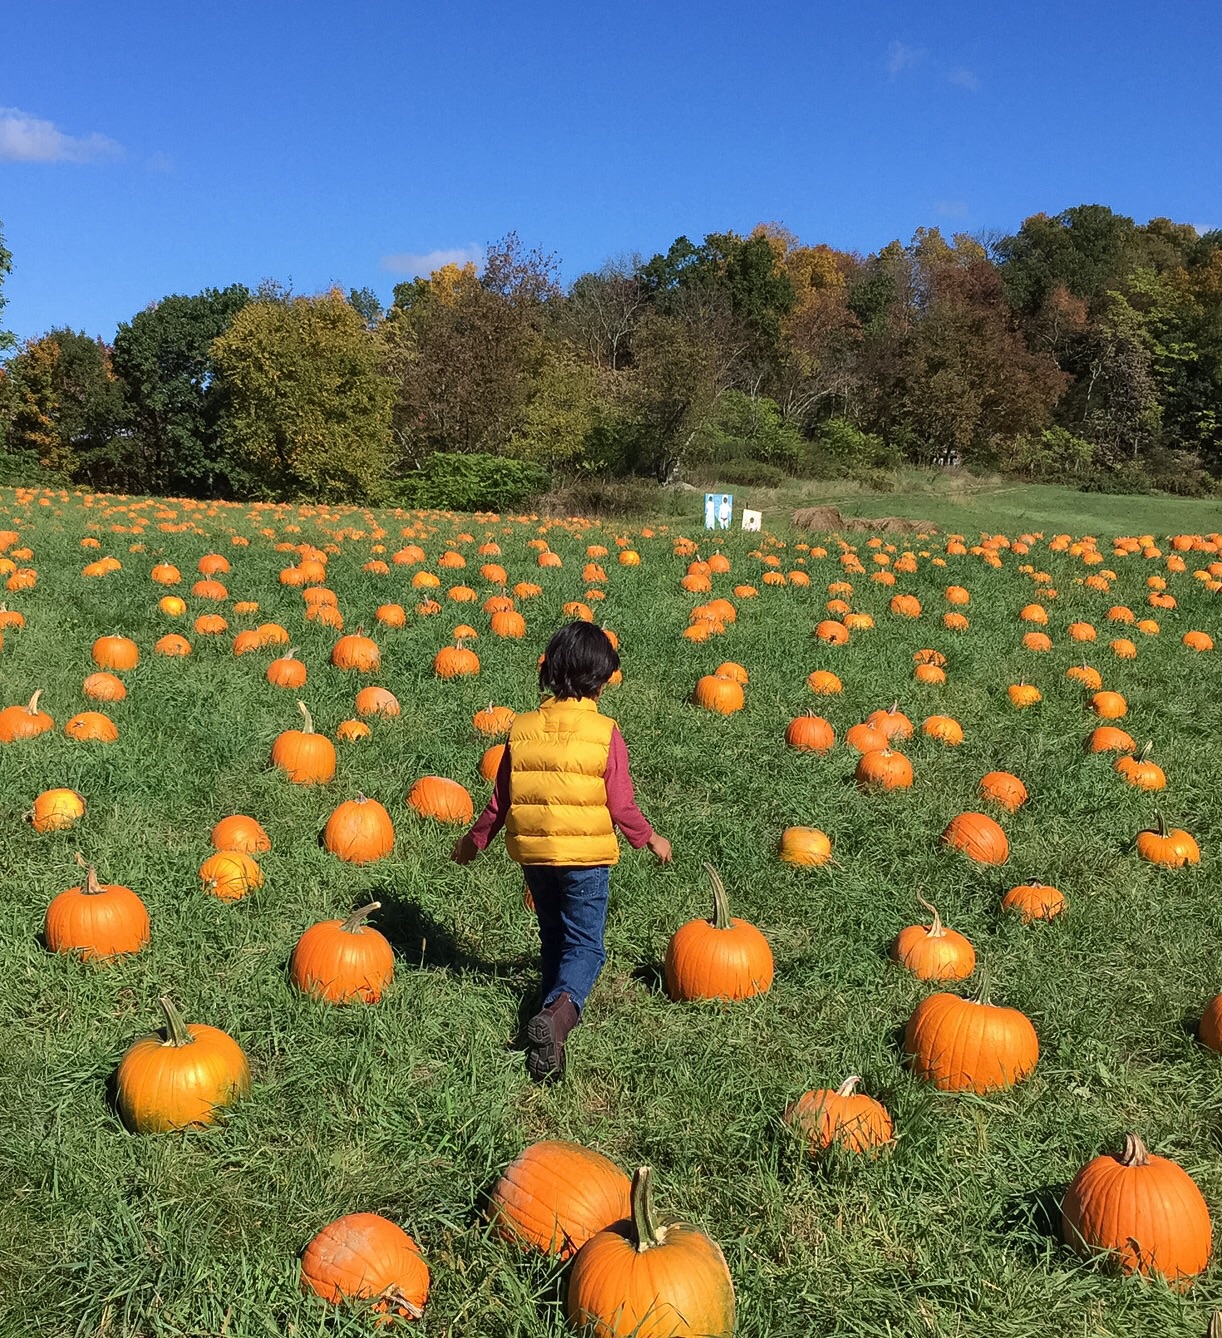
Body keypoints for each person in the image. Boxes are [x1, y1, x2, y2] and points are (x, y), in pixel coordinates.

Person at [452, 621, 672, 1081]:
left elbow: (500, 801)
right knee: (587, 946)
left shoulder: (522, 728)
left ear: (550, 672)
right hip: (585, 859)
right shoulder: (604, 732)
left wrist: (473, 844)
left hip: (534, 857)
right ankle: (559, 1016)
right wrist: (649, 838)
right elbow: (620, 802)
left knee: (553, 935)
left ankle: (545, 1023)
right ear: (601, 679)